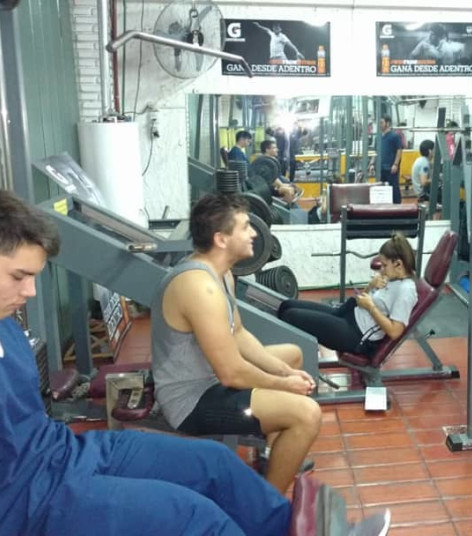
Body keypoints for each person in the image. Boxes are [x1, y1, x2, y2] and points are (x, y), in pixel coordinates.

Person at [0, 190, 294, 535]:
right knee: (194, 518)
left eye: (34, 277)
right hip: (25, 499)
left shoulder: (9, 329)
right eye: (18, 277)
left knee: (216, 464)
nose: (30, 292)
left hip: (61, 451)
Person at [150, 193, 320, 495]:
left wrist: (285, 372)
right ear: (221, 239)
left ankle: (273, 454)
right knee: (307, 415)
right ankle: (267, 505)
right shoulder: (199, 286)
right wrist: (285, 385)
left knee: (292, 356)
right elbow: (232, 374)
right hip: (191, 399)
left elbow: (239, 334)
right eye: (245, 227)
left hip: (214, 376)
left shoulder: (222, 273)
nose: (253, 233)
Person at [278, 234, 417, 357]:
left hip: (357, 335)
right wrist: (371, 285)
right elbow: (363, 299)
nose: (382, 269)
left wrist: (371, 308)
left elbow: (394, 332)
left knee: (290, 316)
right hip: (349, 313)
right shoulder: (392, 278)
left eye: (385, 265)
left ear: (398, 264)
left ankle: (283, 360)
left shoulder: (406, 291)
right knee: (287, 305)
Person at [251, 137, 298, 204]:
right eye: (274, 148)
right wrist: (281, 186)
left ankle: (287, 206)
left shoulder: (270, 161)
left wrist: (282, 184)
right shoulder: (263, 162)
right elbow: (270, 180)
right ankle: (285, 208)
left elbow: (274, 177)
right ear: (267, 150)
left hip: (269, 186)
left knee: (293, 187)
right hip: (264, 189)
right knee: (289, 190)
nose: (277, 150)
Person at [369, 115, 403, 204]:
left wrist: (395, 164)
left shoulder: (395, 136)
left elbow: (399, 151)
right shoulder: (378, 137)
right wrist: (372, 164)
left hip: (391, 168)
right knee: (381, 189)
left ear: (387, 123)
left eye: (381, 122)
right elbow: (375, 152)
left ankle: (398, 208)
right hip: (380, 168)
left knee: (394, 189)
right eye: (379, 123)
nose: (379, 125)